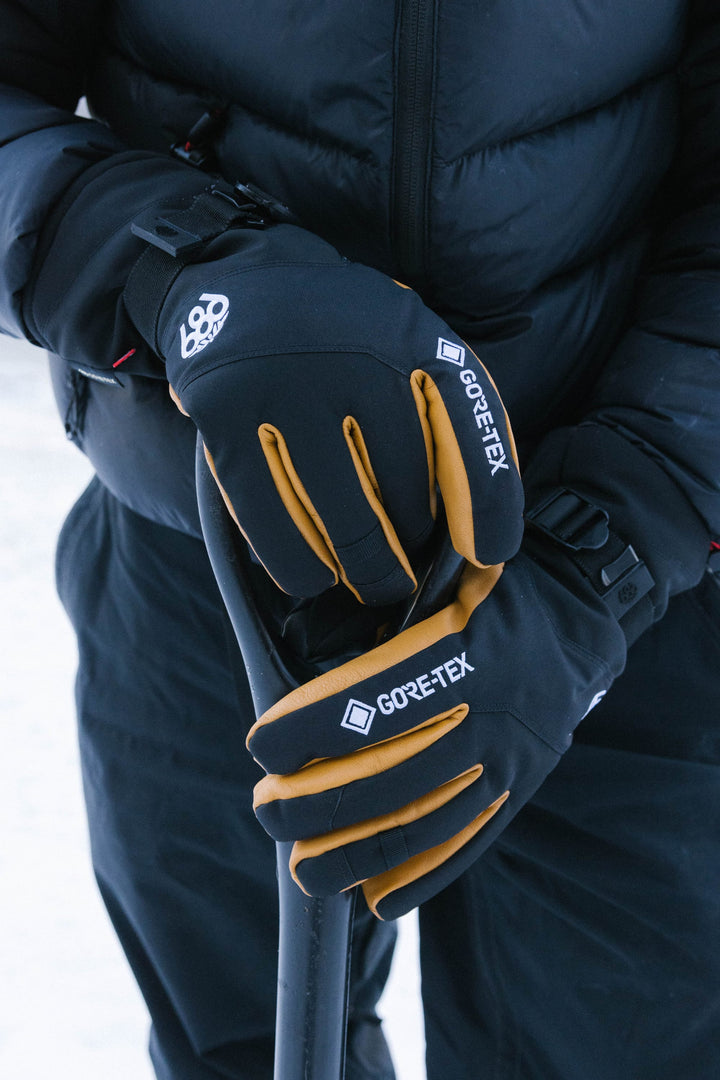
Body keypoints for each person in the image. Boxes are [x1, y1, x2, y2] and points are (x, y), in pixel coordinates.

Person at [1, 2, 719, 1077]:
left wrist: (604, 555)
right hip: (205, 557)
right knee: (238, 1047)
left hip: (609, 601)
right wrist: (169, 257)